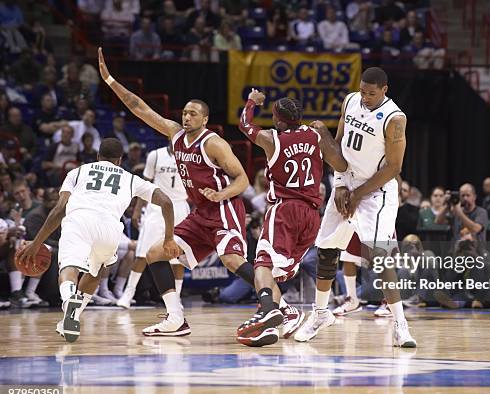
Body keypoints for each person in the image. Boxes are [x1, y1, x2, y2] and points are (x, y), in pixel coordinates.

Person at [98, 48, 298, 336]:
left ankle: (283, 307)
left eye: (193, 113)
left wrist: (222, 194)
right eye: (184, 113)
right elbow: (139, 107)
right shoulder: (175, 134)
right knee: (156, 253)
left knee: (231, 260)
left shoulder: (213, 143)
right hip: (199, 214)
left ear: (204, 119)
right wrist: (111, 81)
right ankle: (176, 318)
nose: (187, 116)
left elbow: (241, 179)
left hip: (224, 210)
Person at [293, 67, 417, 348]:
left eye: (372, 93)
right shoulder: (350, 101)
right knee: (327, 250)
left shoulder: (395, 118)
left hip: (377, 191)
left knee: (381, 256)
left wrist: (358, 194)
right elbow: (339, 148)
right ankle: (320, 314)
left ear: (385, 90)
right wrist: (338, 185)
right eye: (363, 91)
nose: (366, 97)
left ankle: (401, 325)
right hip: (347, 185)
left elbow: (395, 167)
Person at [17, 138, 180, 343]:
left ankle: (69, 302)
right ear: (120, 160)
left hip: (80, 221)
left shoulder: (76, 172)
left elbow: (59, 210)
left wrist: (37, 242)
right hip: (110, 229)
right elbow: (166, 202)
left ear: (97, 156)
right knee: (95, 271)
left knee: (69, 268)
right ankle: (73, 316)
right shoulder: (130, 178)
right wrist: (169, 238)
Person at [235, 90, 348, 346]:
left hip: (285, 210)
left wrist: (253, 102)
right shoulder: (316, 134)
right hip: (311, 216)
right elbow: (339, 164)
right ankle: (281, 318)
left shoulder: (272, 139)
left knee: (262, 264)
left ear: (277, 119)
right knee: (274, 272)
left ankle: (268, 310)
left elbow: (244, 124)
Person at [116, 142, 190, 309]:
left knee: (178, 257)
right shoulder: (155, 155)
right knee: (142, 253)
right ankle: (128, 294)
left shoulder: (190, 157)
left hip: (180, 207)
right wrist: (137, 210)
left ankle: (176, 299)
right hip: (156, 208)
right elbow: (146, 186)